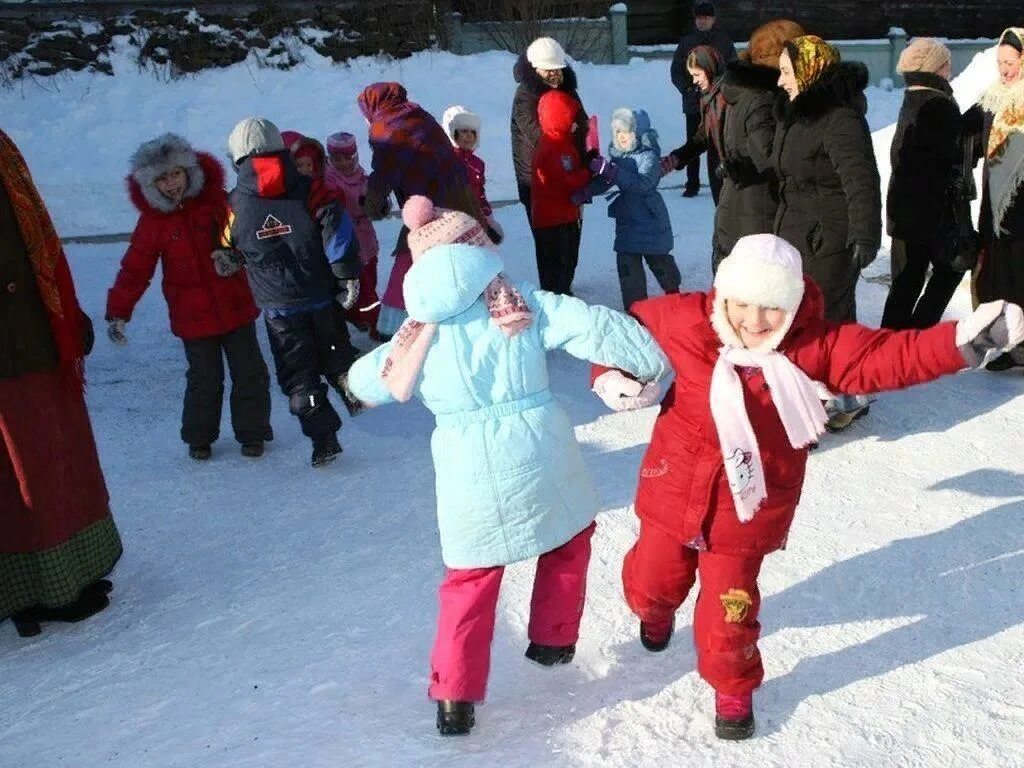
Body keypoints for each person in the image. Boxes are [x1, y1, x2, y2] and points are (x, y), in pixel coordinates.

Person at [592, 233, 1024, 740]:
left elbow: (890, 356)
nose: (755, 322)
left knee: (729, 612)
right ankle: (654, 612)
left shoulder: (812, 345)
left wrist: (961, 343)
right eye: (743, 305)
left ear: (793, 305)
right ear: (721, 296)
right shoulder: (687, 321)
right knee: (652, 582)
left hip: (748, 509)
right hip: (671, 490)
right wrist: (611, 372)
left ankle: (733, 685)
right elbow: (622, 332)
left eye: (772, 309)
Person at [345, 196, 669, 736]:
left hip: (465, 466)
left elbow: (366, 381)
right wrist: (651, 361)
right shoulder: (520, 304)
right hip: (540, 447)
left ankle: (454, 695)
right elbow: (595, 325)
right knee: (568, 537)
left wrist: (346, 379)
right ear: (478, 251)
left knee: (470, 577)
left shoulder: (416, 332)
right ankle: (553, 640)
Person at [1, 128, 122, 637]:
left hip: (36, 334)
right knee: (24, 473)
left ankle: (74, 575)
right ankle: (38, 594)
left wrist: (66, 317)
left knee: (59, 459)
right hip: (11, 351)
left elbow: (36, 245)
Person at [105, 134, 271, 461]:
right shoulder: (153, 223)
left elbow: (246, 237)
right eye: (162, 178)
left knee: (250, 372)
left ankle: (252, 433)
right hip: (191, 317)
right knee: (204, 380)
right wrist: (118, 312)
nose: (171, 184)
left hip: (235, 306)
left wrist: (236, 257)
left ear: (189, 171)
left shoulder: (217, 203)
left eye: (176, 174)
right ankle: (200, 437)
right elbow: (135, 270)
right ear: (151, 184)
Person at [217, 117, 362, 468]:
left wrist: (228, 257)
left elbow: (226, 243)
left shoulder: (235, 204)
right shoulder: (311, 188)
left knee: (298, 375)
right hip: (320, 295)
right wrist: (346, 274)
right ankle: (351, 387)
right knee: (335, 350)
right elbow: (336, 226)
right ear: (282, 149)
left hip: (279, 308)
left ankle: (323, 438)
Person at [773, 35, 882, 430]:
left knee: (826, 324)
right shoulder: (799, 114)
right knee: (818, 323)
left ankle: (838, 399)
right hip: (799, 235)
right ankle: (846, 395)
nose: (781, 81)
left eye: (787, 73)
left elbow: (861, 180)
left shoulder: (840, 119)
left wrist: (866, 235)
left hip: (831, 239)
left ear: (809, 70)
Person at [665, 20, 805, 271]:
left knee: (742, 254)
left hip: (746, 188)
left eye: (697, 74)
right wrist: (678, 158)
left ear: (710, 69)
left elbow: (765, 153)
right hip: (730, 181)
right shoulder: (714, 99)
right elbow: (703, 136)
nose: (695, 81)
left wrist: (741, 166)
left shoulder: (733, 96)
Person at [358, 82, 482, 339]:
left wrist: (373, 206)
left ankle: (393, 326)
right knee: (462, 254)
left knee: (409, 256)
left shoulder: (385, 127)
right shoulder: (418, 115)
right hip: (459, 195)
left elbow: (383, 173)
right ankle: (475, 312)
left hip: (429, 204)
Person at [881, 39, 969, 331]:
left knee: (905, 282)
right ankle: (915, 337)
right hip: (929, 209)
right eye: (946, 65)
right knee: (950, 269)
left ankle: (890, 344)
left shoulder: (913, 97)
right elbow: (945, 158)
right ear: (935, 68)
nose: (950, 71)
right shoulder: (939, 104)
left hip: (903, 207)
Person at [582, 107, 681, 308]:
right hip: (627, 222)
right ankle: (637, 309)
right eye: (617, 132)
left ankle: (674, 297)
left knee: (660, 262)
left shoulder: (649, 156)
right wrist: (586, 191)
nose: (622, 137)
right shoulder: (620, 157)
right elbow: (608, 180)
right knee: (628, 269)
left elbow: (642, 184)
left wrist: (611, 170)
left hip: (649, 221)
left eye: (626, 132)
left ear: (638, 134)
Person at [511, 37, 590, 280]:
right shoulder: (525, 95)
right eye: (549, 71)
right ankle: (554, 285)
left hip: (569, 170)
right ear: (535, 68)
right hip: (538, 179)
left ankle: (567, 280)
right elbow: (539, 134)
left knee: (571, 235)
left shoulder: (567, 89)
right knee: (549, 241)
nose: (556, 75)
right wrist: (568, 132)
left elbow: (582, 121)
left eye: (559, 70)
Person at [973, 27, 1024, 371]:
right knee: (1000, 273)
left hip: (1022, 204)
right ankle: (1013, 342)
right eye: (1000, 62)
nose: (1004, 70)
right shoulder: (994, 96)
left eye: (1011, 62)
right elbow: (970, 132)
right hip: (997, 201)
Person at [670, 2, 737, 198]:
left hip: (720, 98)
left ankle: (722, 178)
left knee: (717, 142)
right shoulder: (686, 42)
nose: (702, 21)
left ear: (713, 20)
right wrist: (688, 90)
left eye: (706, 18)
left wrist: (723, 89)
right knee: (695, 140)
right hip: (693, 103)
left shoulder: (723, 41)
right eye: (699, 18)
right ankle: (692, 183)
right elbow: (676, 71)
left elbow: (733, 68)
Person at [324, 131, 384, 338]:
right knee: (366, 292)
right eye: (336, 159)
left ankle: (358, 316)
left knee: (370, 283)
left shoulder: (361, 176)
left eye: (347, 158)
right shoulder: (329, 180)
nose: (343, 163)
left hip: (367, 240)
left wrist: (379, 204)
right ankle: (377, 326)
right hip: (348, 243)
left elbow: (377, 203)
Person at [533, 89, 591, 295]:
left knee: (566, 262)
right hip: (554, 220)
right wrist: (588, 173)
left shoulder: (563, 144)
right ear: (560, 118)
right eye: (572, 119)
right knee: (558, 265)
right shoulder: (554, 146)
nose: (576, 124)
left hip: (563, 215)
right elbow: (565, 180)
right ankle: (558, 298)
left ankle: (562, 292)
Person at [441, 104, 504, 244]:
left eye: (472, 132)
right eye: (463, 131)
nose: (469, 135)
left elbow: (480, 193)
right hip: (452, 223)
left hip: (475, 220)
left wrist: (488, 219)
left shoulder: (478, 164)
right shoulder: (445, 161)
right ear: (451, 132)